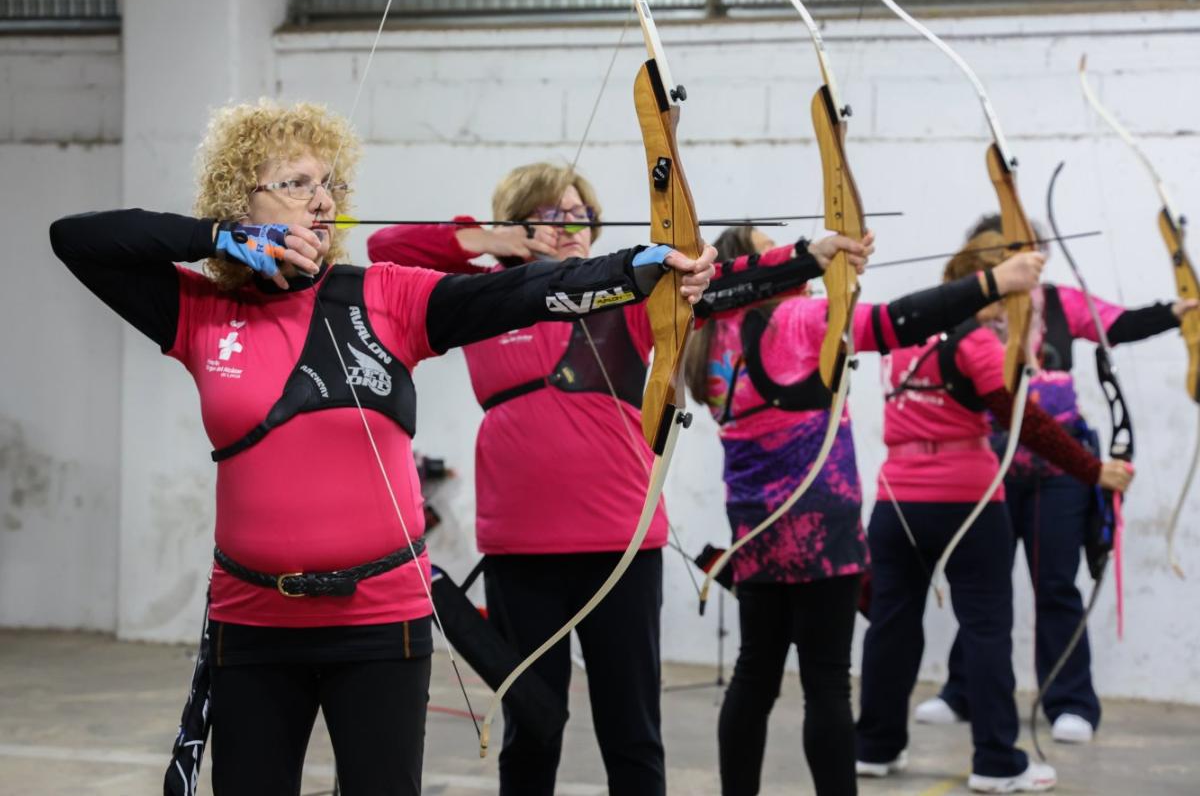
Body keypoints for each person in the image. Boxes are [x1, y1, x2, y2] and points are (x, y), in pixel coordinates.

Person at [49, 102, 716, 796]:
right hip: (253, 621)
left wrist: (636, 269)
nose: (322, 199)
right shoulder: (201, 310)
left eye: (329, 183)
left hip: (380, 623)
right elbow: (76, 239)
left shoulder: (384, 297)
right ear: (241, 197)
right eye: (297, 182)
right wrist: (216, 239)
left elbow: (527, 290)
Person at [366, 163, 868, 796]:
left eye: (581, 215)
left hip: (621, 549)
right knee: (533, 727)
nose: (571, 226)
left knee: (631, 732)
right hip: (520, 550)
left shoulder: (627, 292)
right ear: (517, 220)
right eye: (552, 214)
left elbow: (719, 283)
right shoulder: (482, 299)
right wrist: (498, 244)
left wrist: (810, 256)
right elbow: (386, 248)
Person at [682, 225, 1046, 796]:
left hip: (753, 526)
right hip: (821, 525)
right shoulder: (798, 322)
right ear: (761, 266)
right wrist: (995, 281)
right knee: (827, 683)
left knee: (755, 674)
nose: (793, 258)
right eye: (774, 248)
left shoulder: (707, 336)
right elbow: (898, 321)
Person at [855, 229, 1135, 793]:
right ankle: (996, 762)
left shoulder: (907, 338)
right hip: (967, 502)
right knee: (986, 628)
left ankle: (876, 746)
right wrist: (1093, 470)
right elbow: (1026, 424)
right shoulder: (979, 343)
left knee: (891, 624)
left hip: (895, 502)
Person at [914, 215, 1199, 744]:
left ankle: (1070, 702)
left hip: (1061, 473)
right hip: (990, 469)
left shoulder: (1061, 304)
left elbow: (1116, 322)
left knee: (1056, 586)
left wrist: (1175, 312)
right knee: (983, 588)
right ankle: (963, 692)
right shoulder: (970, 307)